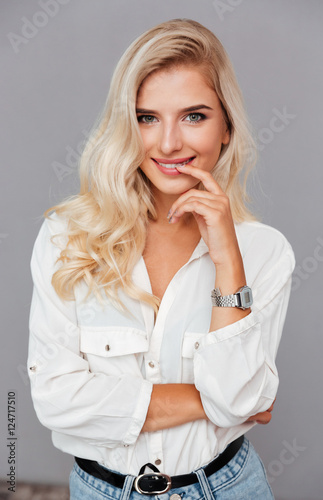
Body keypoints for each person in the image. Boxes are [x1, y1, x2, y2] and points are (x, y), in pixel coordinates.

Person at [28, 18, 295, 500]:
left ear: (227, 128)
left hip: (228, 488)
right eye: (147, 117)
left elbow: (239, 400)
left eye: (194, 116)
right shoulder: (66, 237)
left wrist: (228, 257)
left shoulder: (265, 251)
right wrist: (210, 400)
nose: (169, 143)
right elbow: (56, 401)